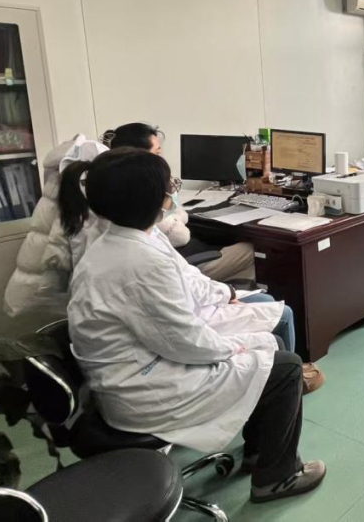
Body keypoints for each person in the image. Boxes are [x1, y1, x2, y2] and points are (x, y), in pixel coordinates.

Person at [66, 148, 326, 503]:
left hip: (141, 366)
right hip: (148, 390)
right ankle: (277, 477)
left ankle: (260, 450)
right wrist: (241, 347)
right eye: (170, 185)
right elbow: (186, 342)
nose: (172, 192)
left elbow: (184, 293)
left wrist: (229, 302)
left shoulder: (121, 242)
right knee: (284, 366)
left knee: (270, 347)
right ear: (153, 198)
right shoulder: (137, 261)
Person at [100, 122, 323, 393]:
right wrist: (230, 312)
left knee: (268, 308)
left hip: (191, 298)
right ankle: (286, 378)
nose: (171, 190)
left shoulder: (129, 235)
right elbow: (185, 336)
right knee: (255, 256)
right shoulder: (142, 256)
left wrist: (226, 293)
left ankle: (285, 373)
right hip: (177, 351)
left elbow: (185, 277)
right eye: (158, 153)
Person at [103, 123, 254, 283]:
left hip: (166, 263)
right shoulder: (146, 193)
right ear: (141, 155)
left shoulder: (112, 184)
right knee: (251, 250)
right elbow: (181, 236)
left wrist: (174, 214)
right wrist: (175, 213)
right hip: (180, 267)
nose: (161, 158)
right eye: (157, 152)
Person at [3, 135, 109, 326]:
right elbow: (61, 262)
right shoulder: (82, 202)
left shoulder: (63, 174)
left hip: (37, 291)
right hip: (47, 302)